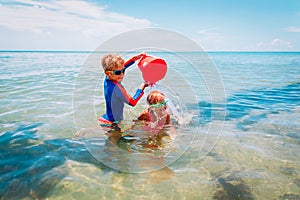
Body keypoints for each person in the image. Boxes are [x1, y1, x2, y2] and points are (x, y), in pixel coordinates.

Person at [98, 53, 148, 128]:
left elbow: (120, 67)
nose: (122, 75)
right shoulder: (117, 88)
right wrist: (142, 86)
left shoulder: (108, 78)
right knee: (120, 140)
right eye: (118, 73)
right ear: (107, 73)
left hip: (106, 118)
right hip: (112, 124)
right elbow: (132, 102)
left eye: (123, 70)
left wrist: (134, 59)